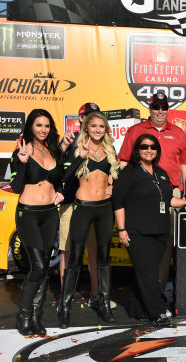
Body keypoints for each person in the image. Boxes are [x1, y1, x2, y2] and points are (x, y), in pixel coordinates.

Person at [114, 134, 186, 326]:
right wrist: (121, 229)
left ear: (157, 150)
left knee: (147, 272)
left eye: (153, 147)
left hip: (160, 233)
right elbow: (118, 202)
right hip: (138, 233)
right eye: (144, 146)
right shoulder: (128, 172)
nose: (149, 150)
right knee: (147, 273)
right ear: (137, 150)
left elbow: (168, 200)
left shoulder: (161, 173)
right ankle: (157, 312)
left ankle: (138, 309)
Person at [118, 92, 186, 297]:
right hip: (140, 194)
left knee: (166, 244)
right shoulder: (136, 131)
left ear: (168, 109)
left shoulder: (178, 133)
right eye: (156, 107)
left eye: (163, 107)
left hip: (171, 193)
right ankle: (144, 292)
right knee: (142, 244)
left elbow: (185, 165)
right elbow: (123, 162)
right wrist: (123, 190)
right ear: (149, 108)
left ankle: (158, 292)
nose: (160, 111)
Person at [58, 112, 120, 328]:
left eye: (101, 127)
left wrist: (114, 182)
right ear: (86, 128)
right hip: (82, 208)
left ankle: (103, 303)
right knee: (75, 258)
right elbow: (64, 178)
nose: (97, 130)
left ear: (106, 130)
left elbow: (117, 176)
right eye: (93, 126)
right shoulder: (79, 148)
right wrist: (80, 157)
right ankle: (65, 307)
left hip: (104, 209)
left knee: (103, 259)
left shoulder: (110, 150)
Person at [10, 109, 64, 336]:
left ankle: (34, 315)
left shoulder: (53, 150)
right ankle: (23, 314)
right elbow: (16, 187)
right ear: (30, 126)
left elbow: (60, 178)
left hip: (50, 213)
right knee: (39, 266)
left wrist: (61, 191)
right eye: (39, 125)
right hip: (28, 214)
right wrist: (22, 162)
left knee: (45, 268)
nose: (43, 130)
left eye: (47, 126)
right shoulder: (22, 150)